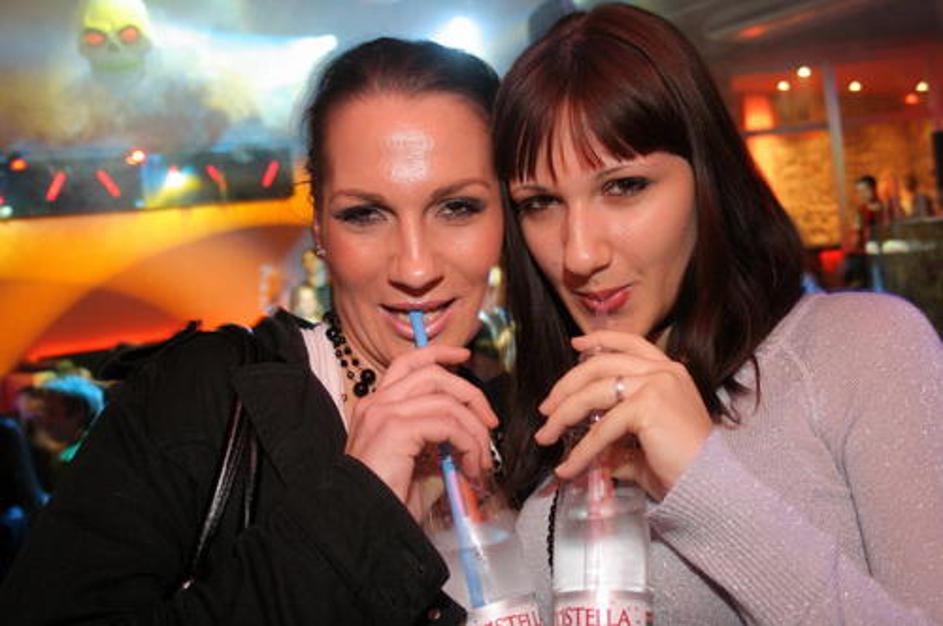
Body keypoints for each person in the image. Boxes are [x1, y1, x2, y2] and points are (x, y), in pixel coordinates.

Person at [0, 38, 504, 625]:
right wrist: (353, 510)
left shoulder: (534, 426)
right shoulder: (201, 399)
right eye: (364, 214)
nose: (415, 268)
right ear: (319, 225)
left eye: (458, 207)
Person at [492, 4, 943, 624]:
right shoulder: (551, 415)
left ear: (707, 176)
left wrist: (700, 481)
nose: (579, 253)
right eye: (540, 203)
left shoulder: (863, 351)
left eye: (624, 186)